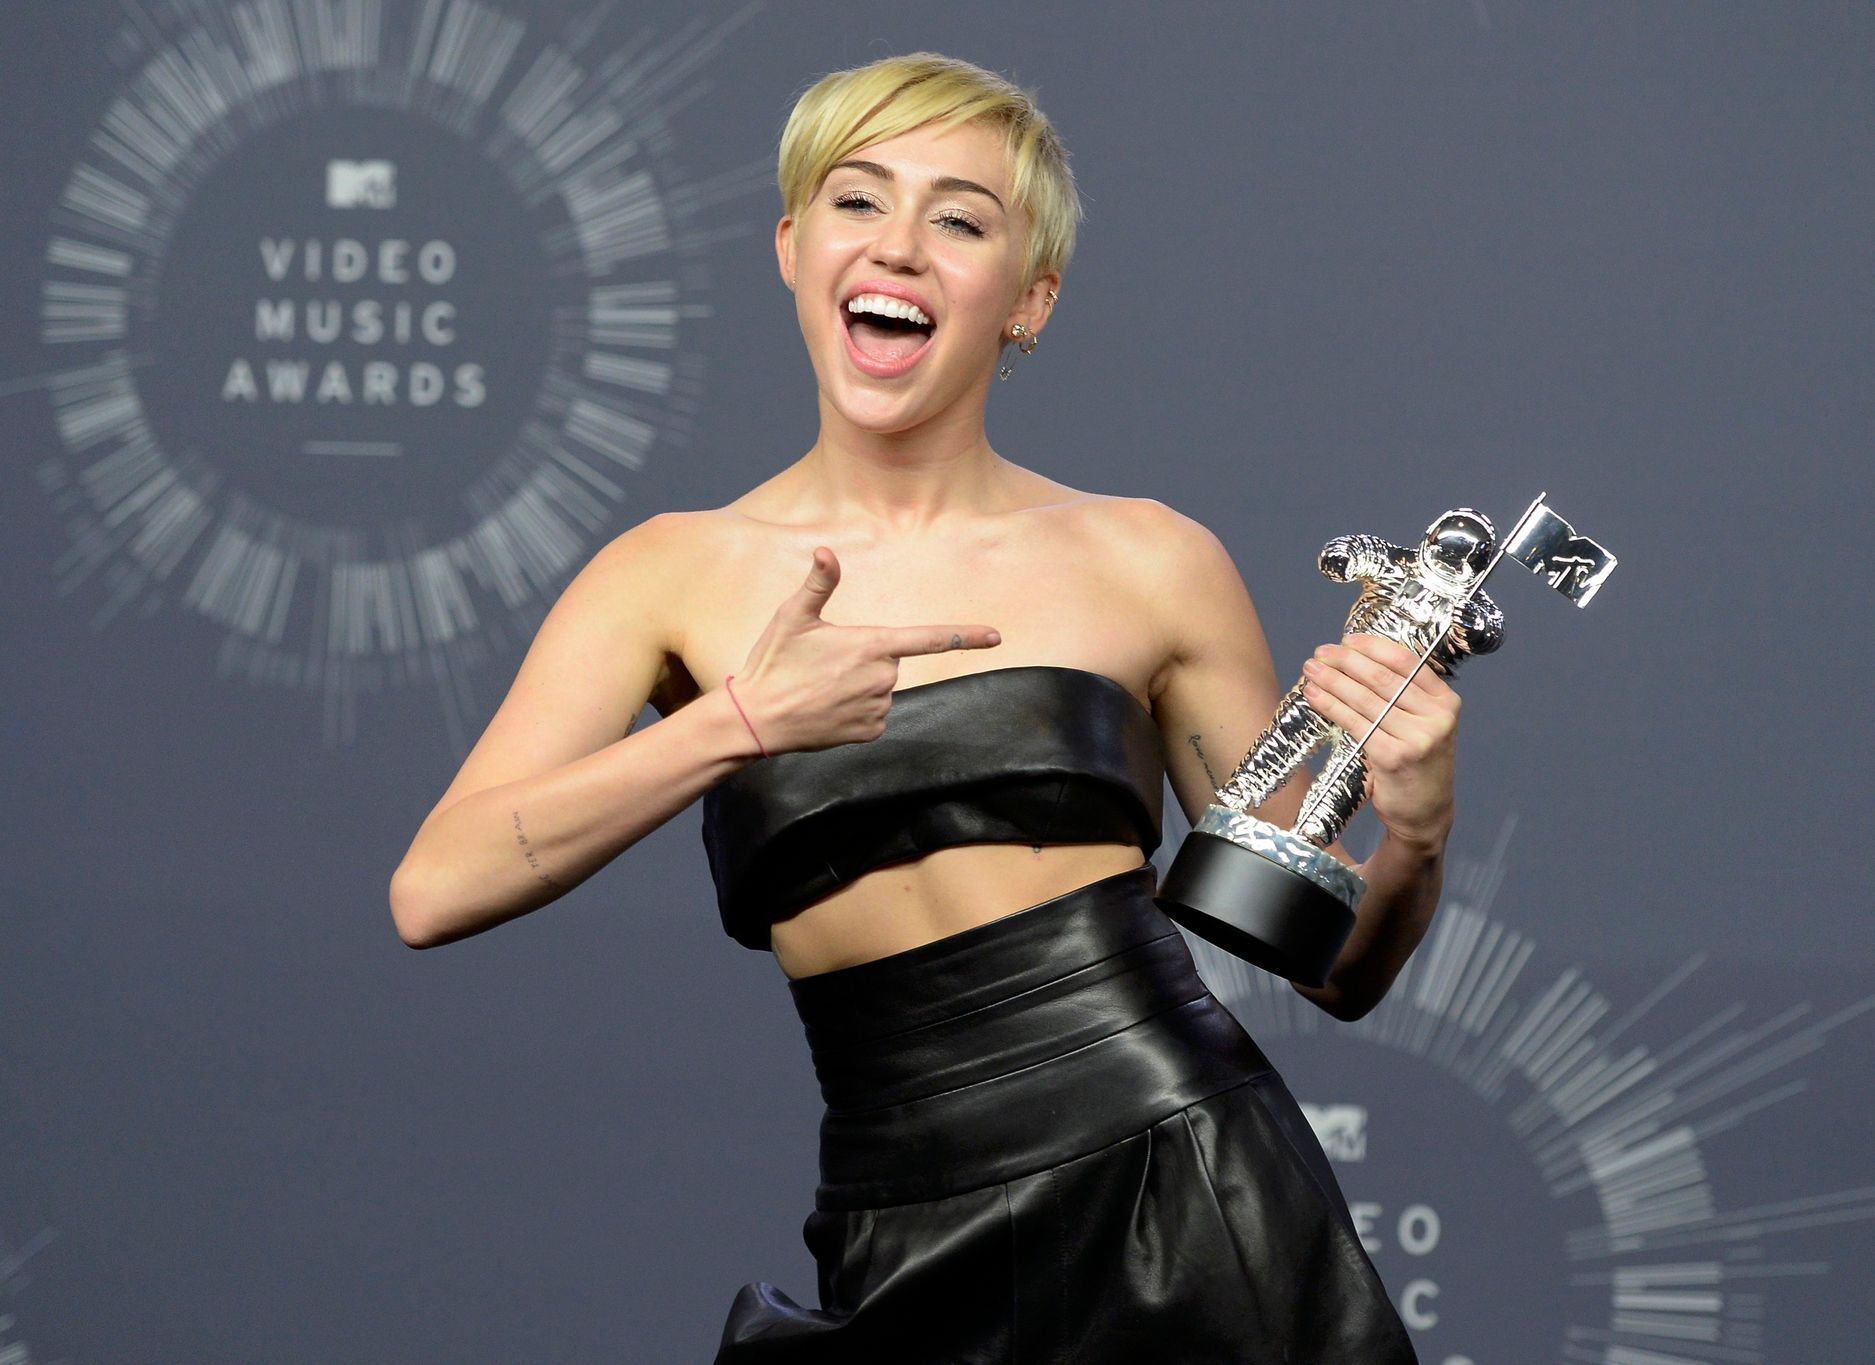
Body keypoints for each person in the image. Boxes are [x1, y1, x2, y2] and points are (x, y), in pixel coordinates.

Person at [389, 51, 1461, 1363]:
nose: (897, 246)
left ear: (1030, 300)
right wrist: (737, 720)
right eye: (857, 201)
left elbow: (1332, 964)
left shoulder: (1148, 558)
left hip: (1184, 1197)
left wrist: (1413, 829)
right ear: (791, 248)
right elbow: (432, 890)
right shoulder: (666, 572)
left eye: (960, 219)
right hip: (890, 1220)